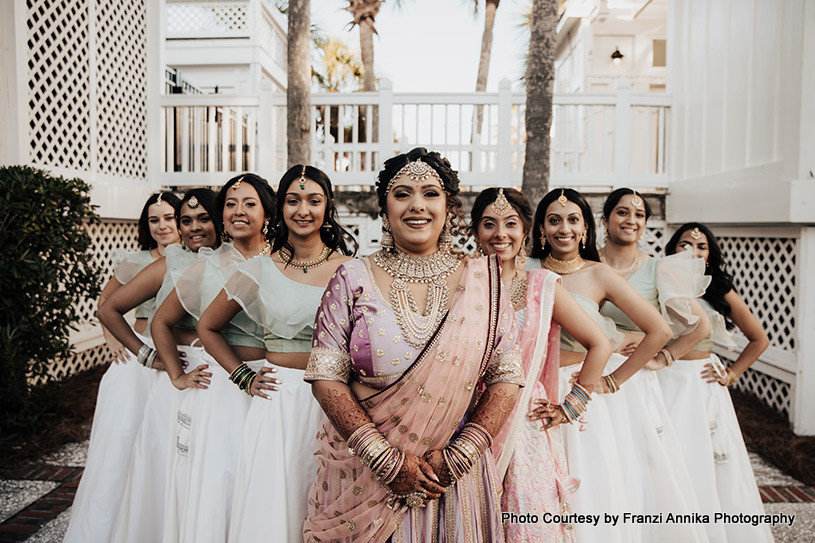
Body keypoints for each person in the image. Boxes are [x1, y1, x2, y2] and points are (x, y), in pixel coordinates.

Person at [302, 148, 524, 542]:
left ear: (449, 207)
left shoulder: (484, 283)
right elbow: (325, 377)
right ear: (384, 208)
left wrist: (459, 456)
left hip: (454, 477)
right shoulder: (352, 276)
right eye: (402, 194)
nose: (416, 205)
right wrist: (383, 459)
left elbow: (507, 378)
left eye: (430, 194)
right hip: (362, 477)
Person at [529, 188, 706, 543]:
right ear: (541, 230)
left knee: (589, 487)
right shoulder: (528, 271)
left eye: (573, 219)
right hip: (533, 393)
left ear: (585, 228)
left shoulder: (599, 275)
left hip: (578, 389)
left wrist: (611, 381)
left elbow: (659, 330)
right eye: (554, 220)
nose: (564, 227)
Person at [197, 165, 356, 542]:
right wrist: (244, 377)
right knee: (273, 503)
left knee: (323, 495)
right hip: (278, 400)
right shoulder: (260, 269)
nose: (303, 209)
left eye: (313, 200)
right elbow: (207, 327)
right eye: (293, 200)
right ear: (280, 208)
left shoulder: (350, 269)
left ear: (327, 208)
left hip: (333, 400)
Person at [470, 187, 612, 542]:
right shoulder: (461, 283)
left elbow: (600, 344)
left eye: (510, 224)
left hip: (525, 424)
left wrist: (571, 406)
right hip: (468, 417)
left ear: (525, 231)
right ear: (474, 232)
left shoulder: (541, 286)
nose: (500, 234)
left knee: (526, 518)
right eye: (489, 224)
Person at [152, 174, 272, 543]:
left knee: (263, 483)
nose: (239, 212)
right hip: (220, 385)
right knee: (220, 481)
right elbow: (161, 321)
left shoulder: (283, 262)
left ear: (268, 211)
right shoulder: (207, 265)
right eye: (231, 205)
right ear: (221, 216)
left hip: (270, 383)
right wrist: (175, 374)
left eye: (249, 203)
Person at [97, 189, 221, 542]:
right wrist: (148, 356)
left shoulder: (236, 259)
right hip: (175, 373)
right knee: (165, 465)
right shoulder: (171, 262)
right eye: (186, 220)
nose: (194, 227)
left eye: (202, 218)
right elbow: (108, 309)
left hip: (219, 378)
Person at [64, 192, 180, 543]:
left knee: (164, 449)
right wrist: (113, 340)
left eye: (169, 217)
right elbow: (105, 304)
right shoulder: (135, 261)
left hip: (180, 359)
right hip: (139, 364)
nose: (163, 226)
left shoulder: (199, 257)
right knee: (120, 448)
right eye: (154, 220)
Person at [598, 188, 713, 542]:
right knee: (601, 464)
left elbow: (701, 327)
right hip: (590, 378)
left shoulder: (658, 268)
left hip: (632, 382)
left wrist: (664, 357)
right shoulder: (587, 262)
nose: (630, 220)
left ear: (645, 224)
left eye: (638, 215)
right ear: (605, 219)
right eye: (622, 212)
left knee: (638, 462)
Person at [660, 222, 773, 542]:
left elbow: (758, 339)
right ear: (672, 249)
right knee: (669, 457)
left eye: (701, 246)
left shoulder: (719, 290)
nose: (692, 251)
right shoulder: (661, 281)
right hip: (664, 378)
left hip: (701, 383)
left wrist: (733, 373)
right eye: (684, 244)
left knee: (704, 461)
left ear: (709, 255)